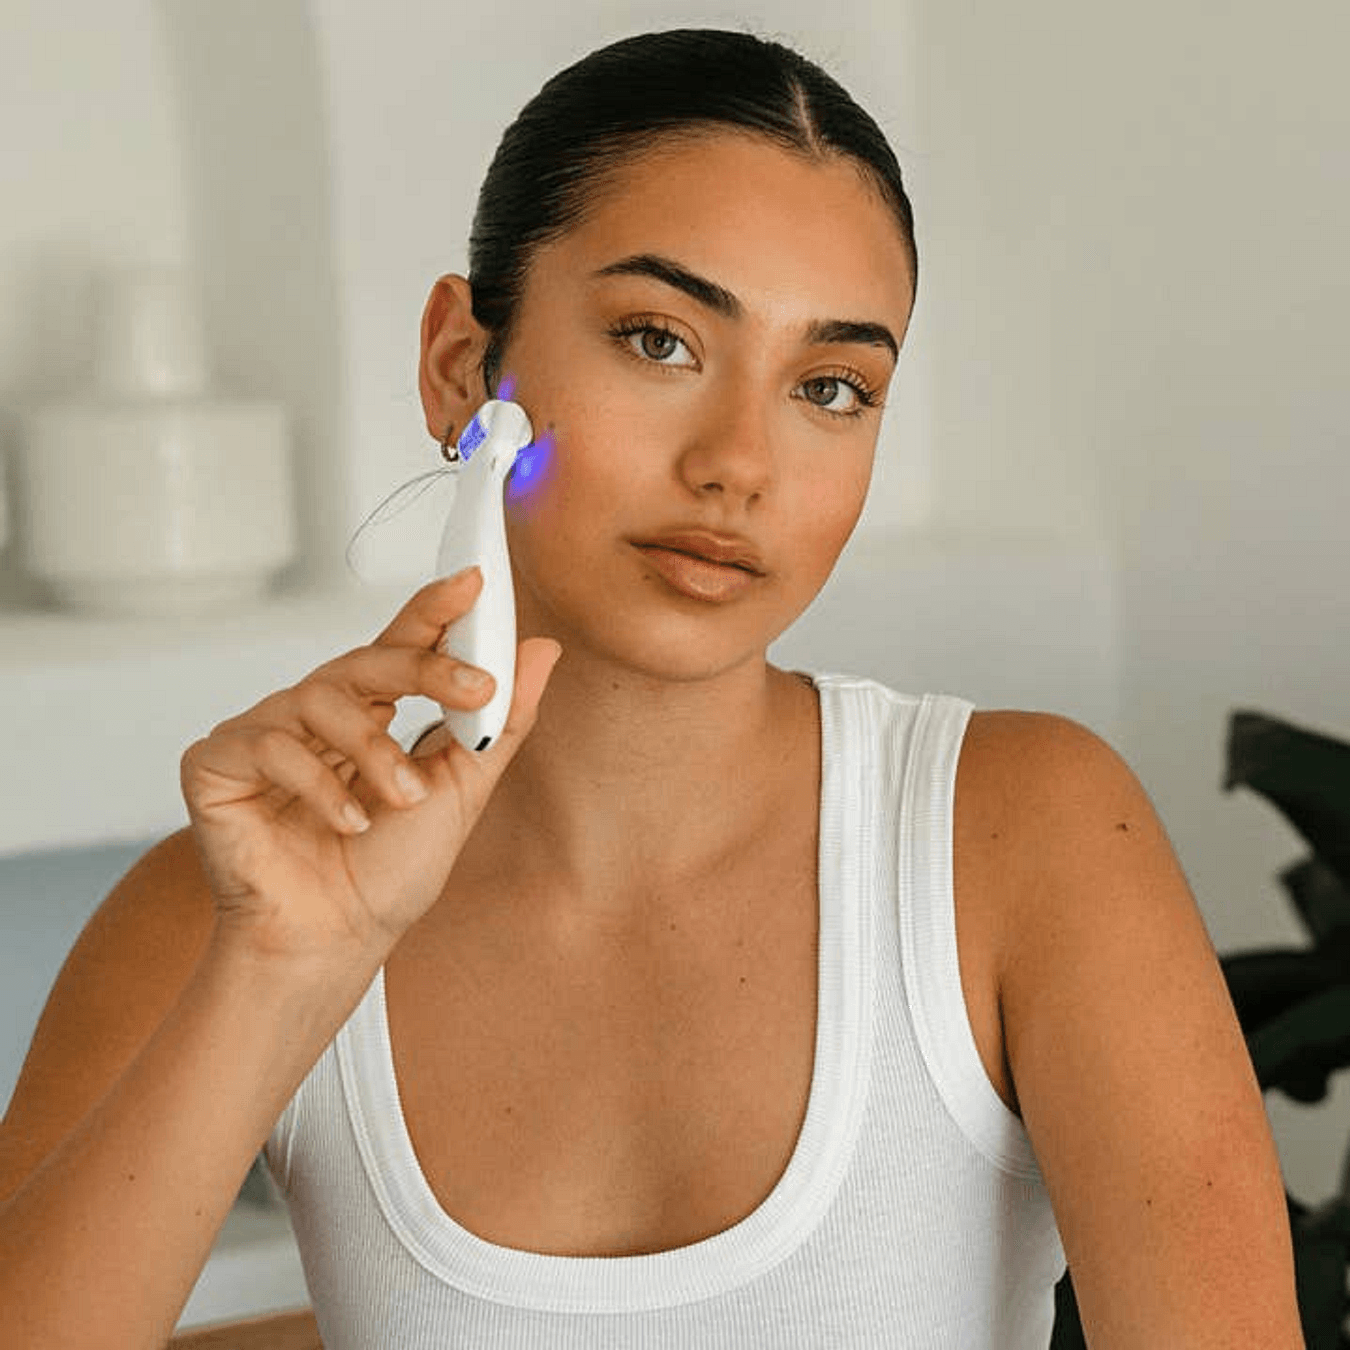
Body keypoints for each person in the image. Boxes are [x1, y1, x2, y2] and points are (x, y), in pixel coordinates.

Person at [0, 28, 1305, 1350]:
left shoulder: (1024, 835)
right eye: (658, 340)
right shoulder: (236, 905)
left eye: (830, 387)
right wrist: (283, 971)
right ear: (461, 367)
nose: (739, 462)